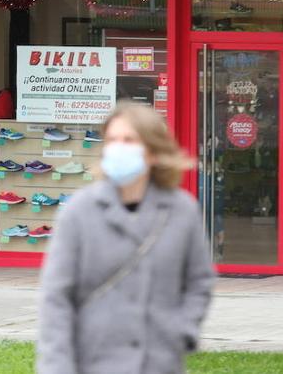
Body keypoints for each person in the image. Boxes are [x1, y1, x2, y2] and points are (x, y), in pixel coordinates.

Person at [37, 102, 214, 374]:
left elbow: (199, 281)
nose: (119, 148)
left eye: (129, 140)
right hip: (93, 362)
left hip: (159, 363)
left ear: (153, 152)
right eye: (112, 140)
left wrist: (182, 329)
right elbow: (56, 297)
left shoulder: (182, 211)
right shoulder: (79, 211)